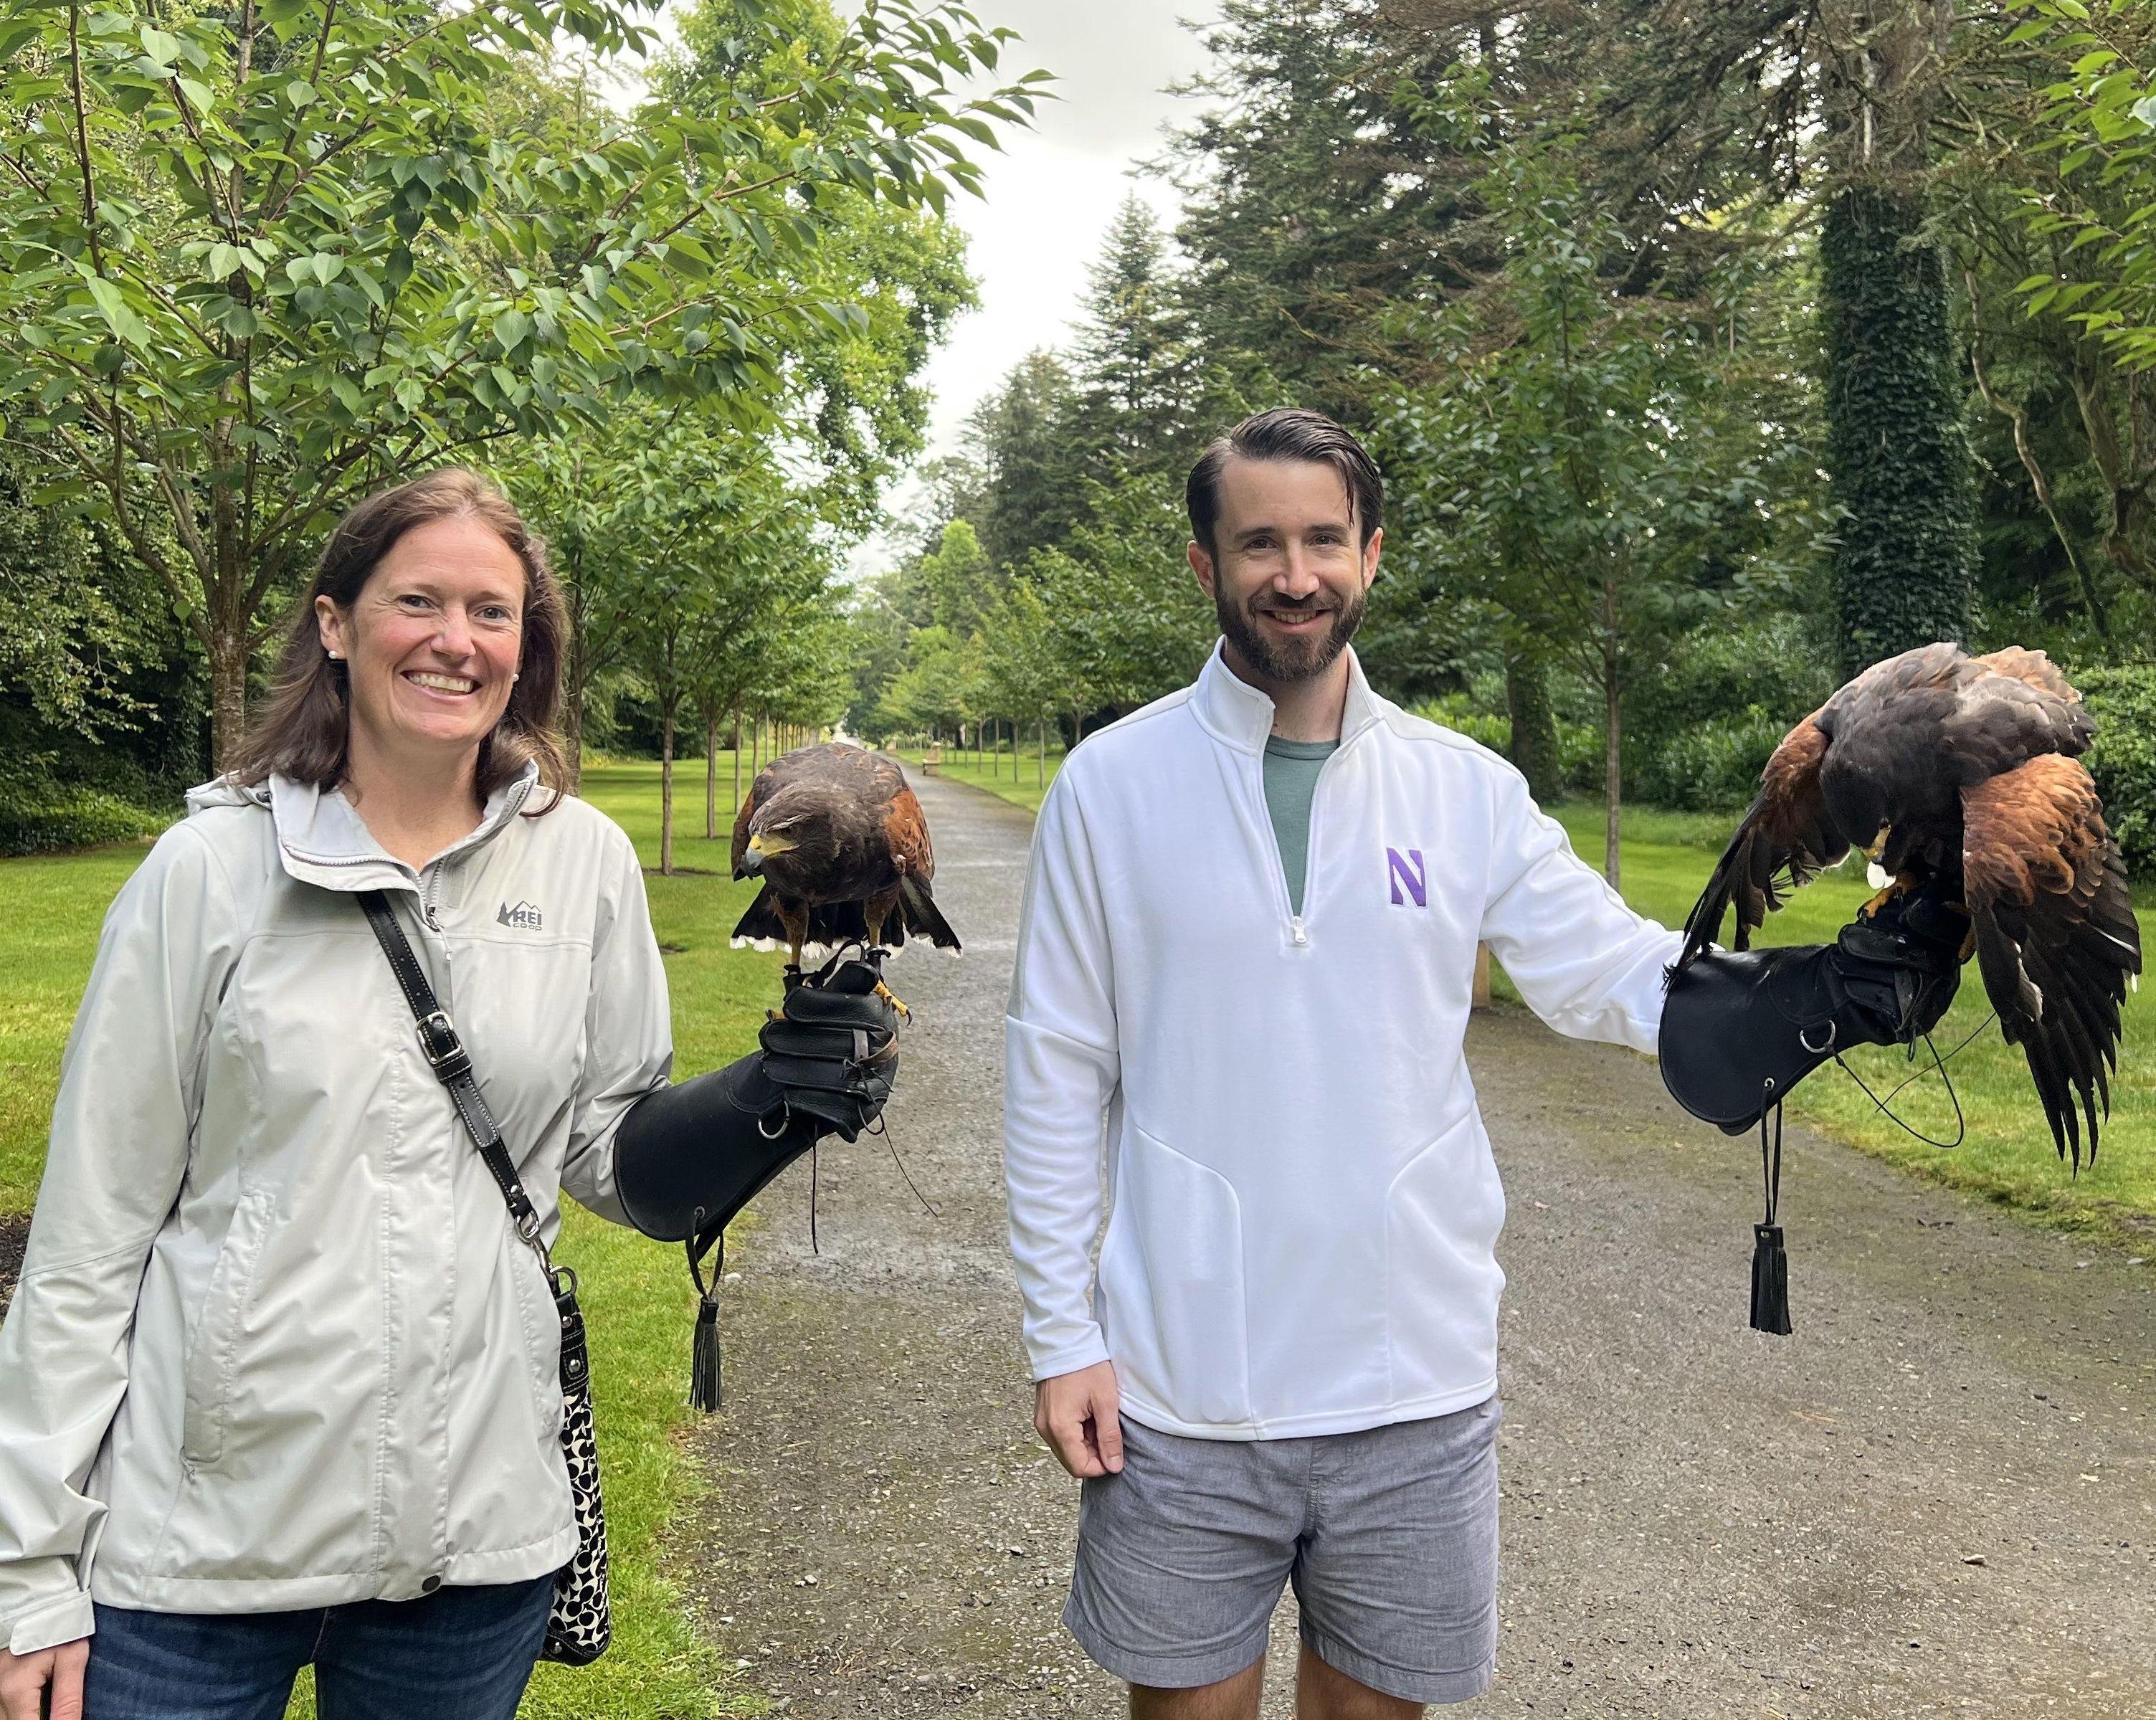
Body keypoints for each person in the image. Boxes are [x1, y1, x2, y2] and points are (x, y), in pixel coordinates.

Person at [1002, 408, 1962, 1720]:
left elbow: (1608, 968)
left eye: (1326, 540)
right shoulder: (1108, 789)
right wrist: (1066, 1336)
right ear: (1206, 563)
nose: (1297, 574)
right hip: (1177, 1388)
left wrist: (1815, 995)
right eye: (1262, 542)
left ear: (1372, 555)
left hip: (1414, 1381)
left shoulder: (1462, 790)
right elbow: (1056, 1071)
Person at [0, 469, 894, 1720]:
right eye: (417, 600)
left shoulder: (581, 859)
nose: (455, 641)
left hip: (472, 1527)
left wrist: (771, 1093)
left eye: (492, 612)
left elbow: (608, 1154)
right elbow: (90, 1240)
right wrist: (29, 1569)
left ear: (526, 648)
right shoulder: (208, 869)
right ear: (334, 623)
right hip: (197, 1535)